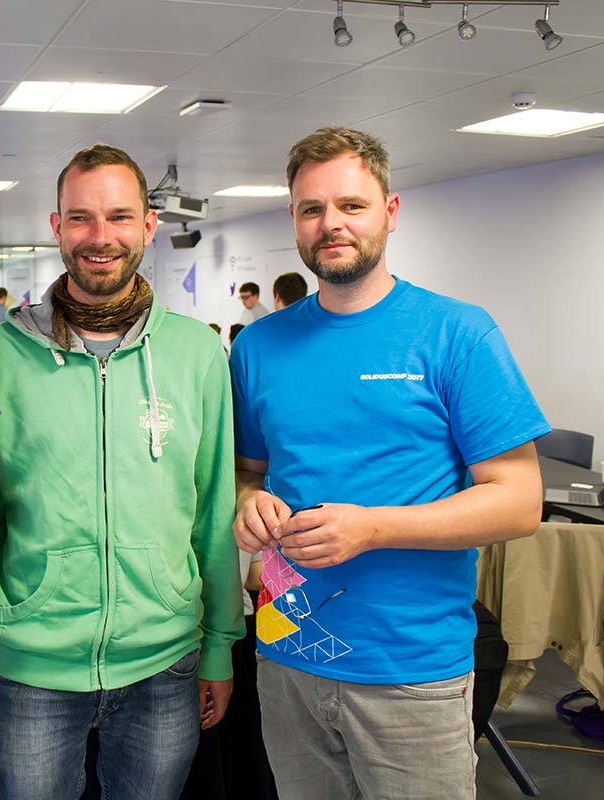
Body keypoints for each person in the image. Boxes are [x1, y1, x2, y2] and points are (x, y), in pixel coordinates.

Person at [229, 127, 550, 800]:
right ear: (294, 219)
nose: (331, 223)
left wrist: (374, 528)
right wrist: (247, 500)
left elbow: (520, 501)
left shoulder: (457, 333)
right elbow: (249, 471)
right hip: (286, 654)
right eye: (312, 208)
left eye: (352, 204)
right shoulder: (259, 346)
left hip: (411, 669)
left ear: (390, 211)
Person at [0, 143, 243, 800]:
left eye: (119, 217)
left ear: (149, 226)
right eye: (80, 218)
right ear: (57, 228)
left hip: (166, 662)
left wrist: (220, 644)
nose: (100, 236)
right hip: (32, 666)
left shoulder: (197, 354)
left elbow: (213, 512)